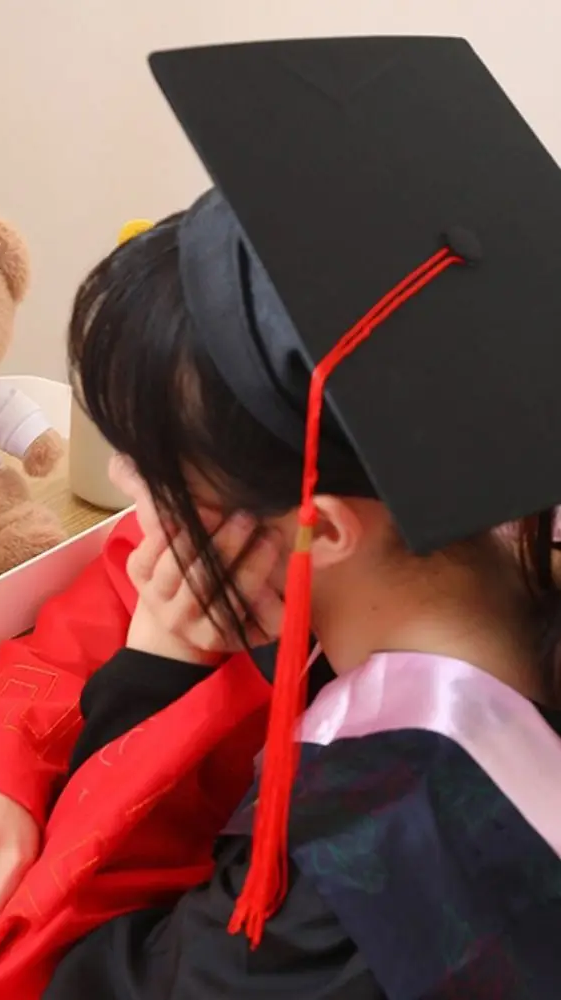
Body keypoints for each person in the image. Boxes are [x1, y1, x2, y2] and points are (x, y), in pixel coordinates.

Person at [37, 35, 561, 999]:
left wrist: (154, 674)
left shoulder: (341, 891)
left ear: (320, 525)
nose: (119, 478)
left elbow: (80, 971)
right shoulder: (518, 569)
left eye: (152, 466)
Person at [0, 452, 334, 998]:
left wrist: (156, 670)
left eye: (149, 454)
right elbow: (83, 630)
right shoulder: (216, 537)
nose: (122, 478)